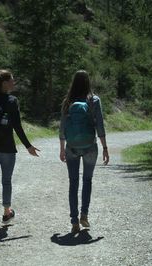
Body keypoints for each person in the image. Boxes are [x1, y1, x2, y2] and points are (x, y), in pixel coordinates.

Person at [0, 69, 40, 233]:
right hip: (6, 148)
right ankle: (7, 213)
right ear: (4, 83)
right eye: (12, 80)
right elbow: (17, 126)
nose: (14, 83)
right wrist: (28, 146)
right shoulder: (12, 101)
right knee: (6, 181)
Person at [59, 70, 109, 234]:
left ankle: (74, 222)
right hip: (90, 147)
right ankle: (84, 215)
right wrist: (105, 148)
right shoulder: (94, 100)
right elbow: (99, 125)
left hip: (72, 146)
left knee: (73, 183)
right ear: (88, 82)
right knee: (87, 180)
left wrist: (62, 148)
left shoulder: (68, 101)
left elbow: (62, 127)